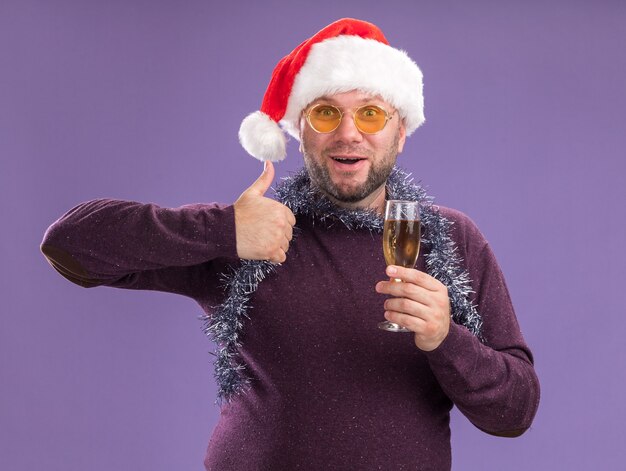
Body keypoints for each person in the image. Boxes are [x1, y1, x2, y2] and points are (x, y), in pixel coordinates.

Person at [41, 18, 540, 471]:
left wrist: (445, 339)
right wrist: (223, 228)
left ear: (401, 132)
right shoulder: (250, 233)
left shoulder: (451, 240)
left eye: (370, 113)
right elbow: (69, 244)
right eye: (326, 113)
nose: (349, 134)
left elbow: (514, 412)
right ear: (300, 131)